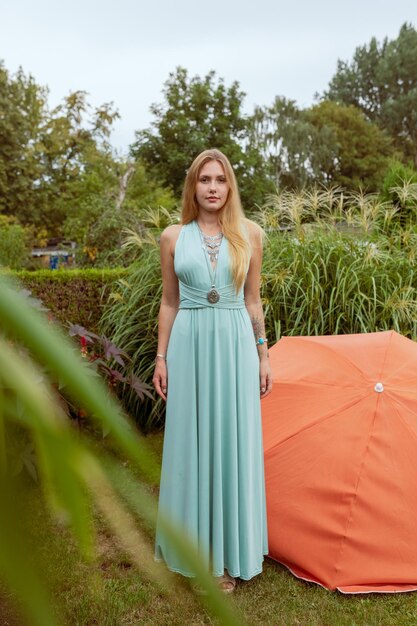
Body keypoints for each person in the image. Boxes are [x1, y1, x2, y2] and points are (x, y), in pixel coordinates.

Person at [153, 148, 272, 593]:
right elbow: (169, 301)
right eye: (205, 180)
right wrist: (161, 357)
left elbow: (253, 300)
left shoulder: (250, 234)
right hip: (189, 344)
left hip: (235, 343)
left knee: (231, 441)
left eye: (220, 180)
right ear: (193, 186)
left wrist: (262, 353)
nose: (213, 188)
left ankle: (231, 554)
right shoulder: (171, 237)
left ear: (230, 186)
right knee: (192, 444)